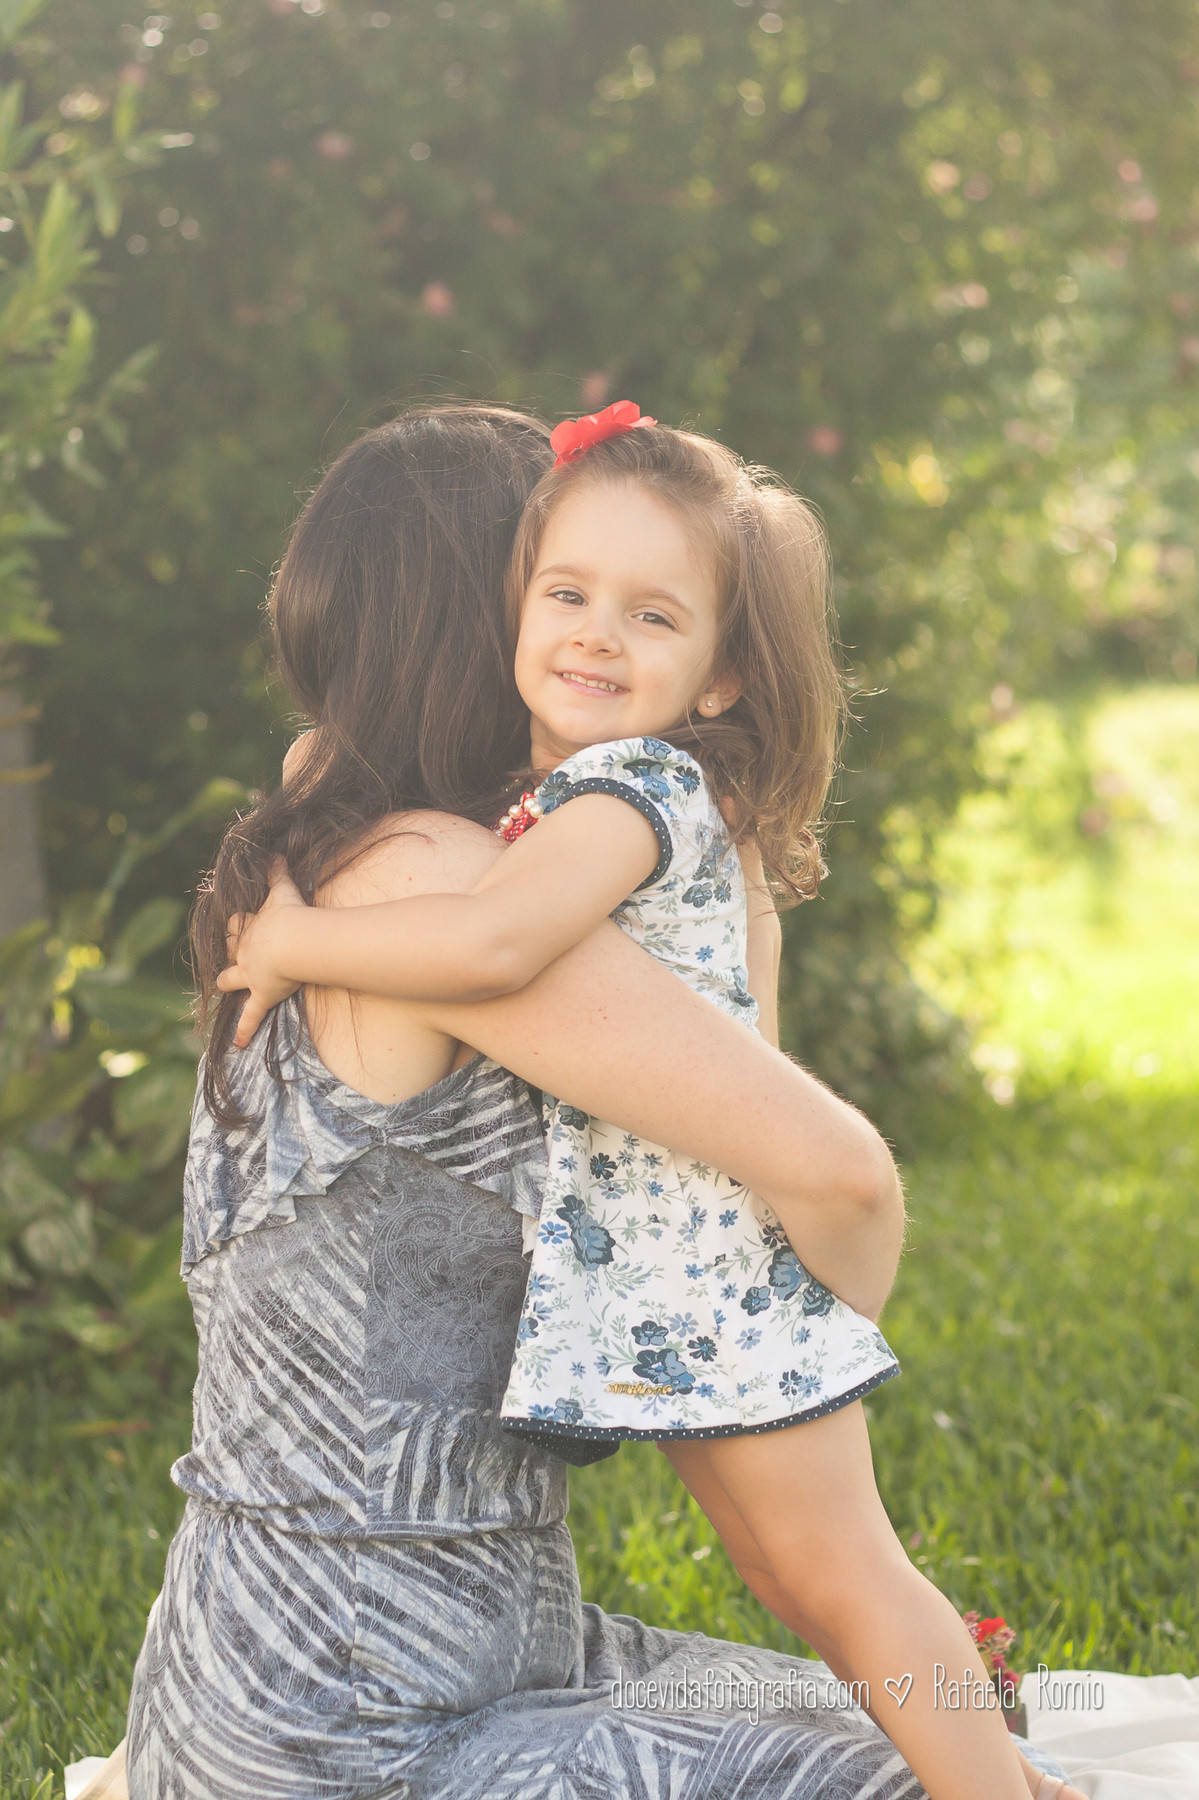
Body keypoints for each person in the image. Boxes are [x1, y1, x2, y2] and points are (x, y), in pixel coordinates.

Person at [212, 404, 1076, 1800]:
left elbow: (501, 942)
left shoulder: (531, 814)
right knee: (841, 1622)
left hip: (303, 1617)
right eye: (558, 589)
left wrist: (294, 937)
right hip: (391, 1673)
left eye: (648, 613)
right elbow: (795, 1109)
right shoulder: (495, 838)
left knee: (850, 1600)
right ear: (482, 611)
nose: (591, 635)